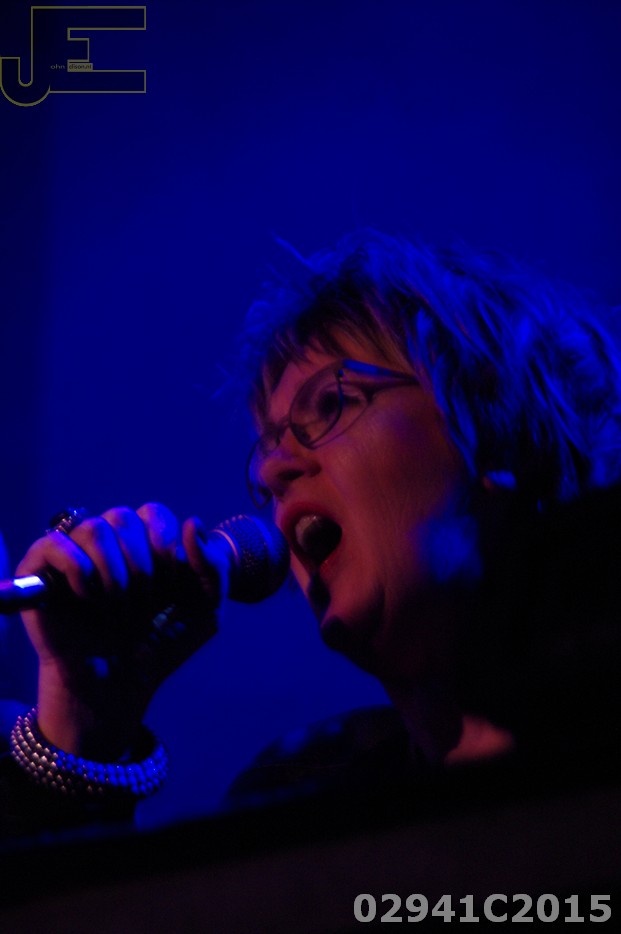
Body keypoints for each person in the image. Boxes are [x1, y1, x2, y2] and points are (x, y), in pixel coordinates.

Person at [2, 229, 621, 832]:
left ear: (500, 437)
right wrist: (86, 728)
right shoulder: (295, 794)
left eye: (332, 404)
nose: (272, 472)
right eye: (269, 446)